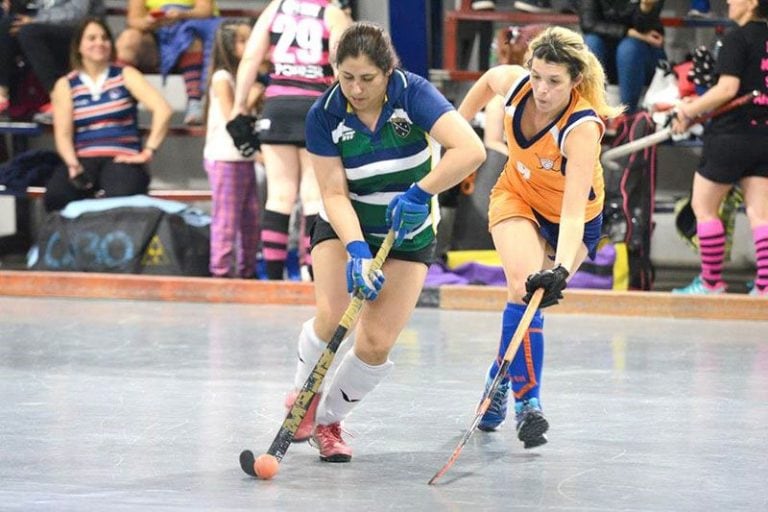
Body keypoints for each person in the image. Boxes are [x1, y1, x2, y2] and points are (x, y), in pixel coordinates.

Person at [283, 21, 485, 462]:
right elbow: (333, 193)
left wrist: (422, 192)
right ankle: (302, 395)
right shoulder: (324, 115)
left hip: (408, 233)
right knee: (333, 315)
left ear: (388, 72)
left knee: (376, 343)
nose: (356, 89)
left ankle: (329, 421)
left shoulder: (414, 95)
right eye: (346, 77)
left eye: (368, 79)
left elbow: (471, 150)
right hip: (346, 224)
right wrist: (356, 248)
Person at [457, 26, 623, 448]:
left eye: (554, 82)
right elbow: (487, 80)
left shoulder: (582, 128)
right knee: (522, 287)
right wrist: (455, 133)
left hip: (575, 220)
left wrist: (563, 269)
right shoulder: (514, 88)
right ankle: (528, 404)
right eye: (536, 76)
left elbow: (571, 211)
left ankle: (496, 385)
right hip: (517, 197)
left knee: (538, 293)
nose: (542, 90)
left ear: (575, 82)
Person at [227, 0, 350, 280]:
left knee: (279, 196)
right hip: (314, 107)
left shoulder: (276, 8)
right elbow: (341, 62)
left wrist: (238, 107)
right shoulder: (331, 12)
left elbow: (250, 58)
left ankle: (272, 277)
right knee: (313, 197)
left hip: (277, 106)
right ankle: (312, 274)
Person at [671, 0, 768, 297]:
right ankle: (764, 286)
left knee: (704, 207)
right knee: (761, 214)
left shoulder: (736, 37)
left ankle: (711, 283)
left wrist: (689, 112)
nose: (727, 1)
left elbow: (727, 88)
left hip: (729, 137)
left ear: (752, 2)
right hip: (763, 135)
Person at [44, 17, 172, 212]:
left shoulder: (126, 74)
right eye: (92, 38)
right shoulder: (66, 84)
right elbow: (62, 134)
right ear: (78, 46)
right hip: (83, 158)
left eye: (104, 38)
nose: (99, 43)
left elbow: (163, 109)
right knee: (57, 195)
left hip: (122, 157)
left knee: (121, 195)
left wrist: (148, 152)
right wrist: (72, 164)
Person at [203, 19, 262, 278]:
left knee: (250, 220)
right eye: (242, 40)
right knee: (227, 220)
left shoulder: (243, 78)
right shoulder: (221, 78)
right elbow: (233, 119)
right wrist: (251, 98)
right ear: (228, 45)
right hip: (226, 157)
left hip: (243, 158)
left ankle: (247, 271)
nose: (249, 45)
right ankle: (221, 272)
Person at [115, 0, 221, 125]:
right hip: (155, 38)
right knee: (128, 39)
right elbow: (134, 19)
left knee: (191, 35)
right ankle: (118, 98)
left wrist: (182, 15)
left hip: (188, 34)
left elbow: (205, 11)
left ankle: (195, 101)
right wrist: (150, 21)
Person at [0, 0, 105, 120]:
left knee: (28, 32)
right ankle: (2, 94)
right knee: (8, 25)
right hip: (44, 30)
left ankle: (57, 97)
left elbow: (77, 14)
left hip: (82, 32)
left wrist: (36, 19)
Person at [578, 0, 667, 113]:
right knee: (592, 42)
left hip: (641, 56)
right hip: (607, 57)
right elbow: (588, 24)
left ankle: (628, 116)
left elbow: (645, 28)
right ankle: (591, 111)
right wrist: (629, 32)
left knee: (628, 48)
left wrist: (645, 7)